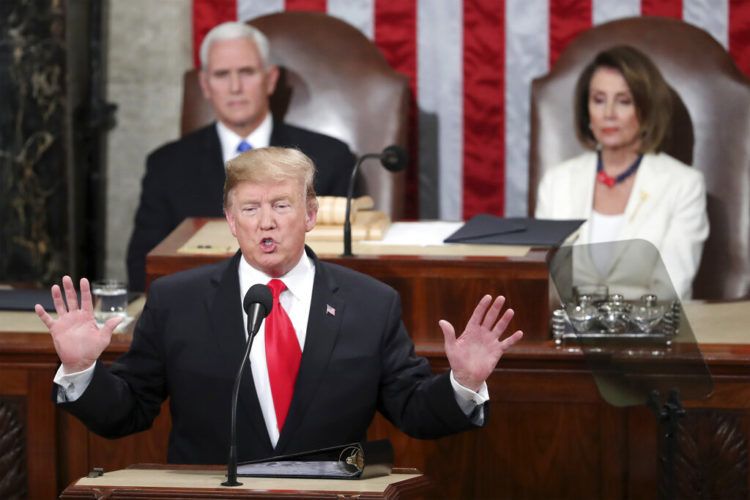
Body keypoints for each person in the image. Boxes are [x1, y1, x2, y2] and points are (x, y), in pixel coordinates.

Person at [36, 147, 524, 465]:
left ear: (311, 214)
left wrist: (464, 383)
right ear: (231, 219)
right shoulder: (176, 300)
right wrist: (81, 370)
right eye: (250, 208)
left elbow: (414, 410)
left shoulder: (369, 304)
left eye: (282, 206)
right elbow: (129, 412)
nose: (265, 223)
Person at [126, 21, 355, 292]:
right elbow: (143, 267)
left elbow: (343, 266)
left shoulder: (328, 158)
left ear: (270, 79)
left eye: (246, 72)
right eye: (222, 75)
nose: (235, 87)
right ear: (205, 84)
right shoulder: (167, 165)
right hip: (200, 313)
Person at [535, 45, 709, 300]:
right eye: (598, 100)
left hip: (648, 334)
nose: (608, 114)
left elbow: (672, 288)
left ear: (647, 109)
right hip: (567, 332)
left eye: (624, 101)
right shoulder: (557, 181)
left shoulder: (684, 185)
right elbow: (545, 281)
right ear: (587, 111)